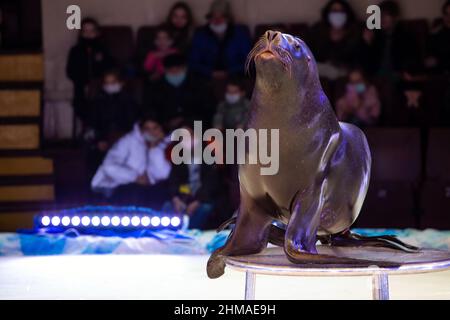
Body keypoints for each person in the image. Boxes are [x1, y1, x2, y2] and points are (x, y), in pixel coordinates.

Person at [91, 116, 172, 208]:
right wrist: (134, 177)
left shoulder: (166, 144)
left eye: (155, 128)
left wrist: (154, 148)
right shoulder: (128, 141)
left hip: (149, 191)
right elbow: (108, 166)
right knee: (134, 192)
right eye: (147, 129)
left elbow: (162, 174)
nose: (151, 132)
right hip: (115, 187)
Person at [163, 123, 220, 230]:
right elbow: (173, 180)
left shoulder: (208, 155)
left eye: (190, 135)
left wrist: (197, 202)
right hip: (184, 196)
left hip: (202, 198)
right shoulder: (178, 156)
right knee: (167, 206)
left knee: (205, 208)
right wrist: (176, 199)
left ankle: (191, 233)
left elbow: (211, 183)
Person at [144, 54, 214, 130]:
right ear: (165, 70)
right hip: (165, 129)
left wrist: (186, 121)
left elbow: (208, 109)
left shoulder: (200, 85)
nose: (175, 73)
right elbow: (150, 110)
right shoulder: (155, 88)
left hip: (196, 127)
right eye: (170, 71)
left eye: (178, 70)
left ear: (185, 69)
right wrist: (166, 123)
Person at [66, 17, 113, 126]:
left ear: (97, 33)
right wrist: (83, 81)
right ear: (81, 33)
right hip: (82, 88)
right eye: (85, 31)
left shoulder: (102, 49)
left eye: (92, 31)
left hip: (101, 87)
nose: (89, 34)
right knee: (82, 105)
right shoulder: (75, 51)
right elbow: (70, 71)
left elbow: (109, 67)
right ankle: (90, 129)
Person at [189, 0, 251, 80]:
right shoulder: (200, 35)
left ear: (228, 19)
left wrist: (229, 72)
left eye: (221, 17)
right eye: (213, 17)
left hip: (235, 77)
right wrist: (210, 73)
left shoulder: (240, 34)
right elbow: (193, 62)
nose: (217, 21)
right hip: (206, 79)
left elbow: (249, 60)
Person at [309, 0, 360, 80]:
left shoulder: (355, 31)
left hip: (346, 71)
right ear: (328, 13)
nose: (338, 14)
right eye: (334, 11)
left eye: (341, 11)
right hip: (321, 68)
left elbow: (356, 58)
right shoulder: (317, 30)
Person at [425, 0, 450, 74]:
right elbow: (429, 60)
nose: (449, 17)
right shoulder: (435, 33)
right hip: (442, 73)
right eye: (446, 14)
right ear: (443, 15)